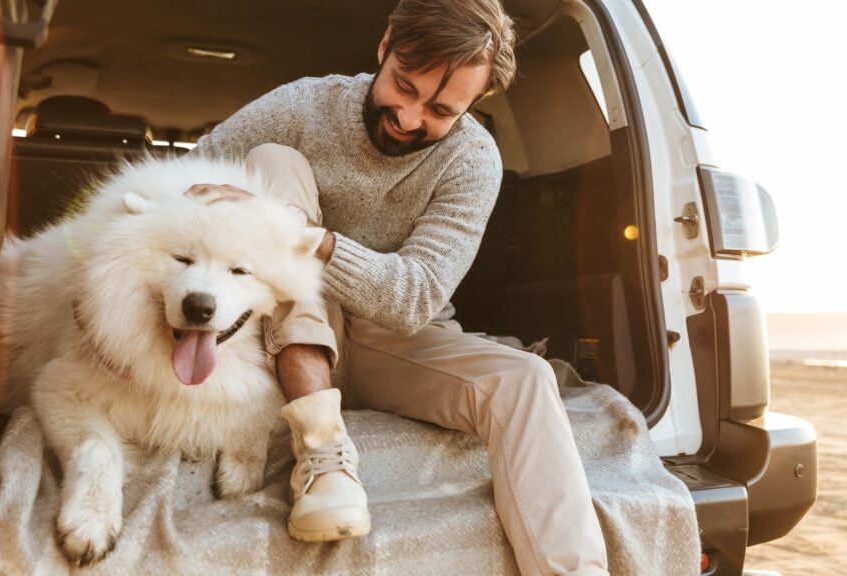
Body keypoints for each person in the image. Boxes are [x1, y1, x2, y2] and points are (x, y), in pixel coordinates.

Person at [190, 1, 610, 574]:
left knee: (527, 379)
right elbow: (183, 184)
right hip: (277, 336)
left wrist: (306, 238)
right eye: (403, 87)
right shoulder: (304, 105)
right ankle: (322, 453)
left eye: (440, 109)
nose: (410, 118)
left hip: (396, 340)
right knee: (273, 161)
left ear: (475, 103)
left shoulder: (473, 160)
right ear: (385, 46)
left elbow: (414, 300)